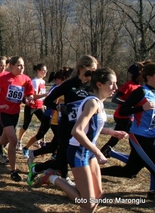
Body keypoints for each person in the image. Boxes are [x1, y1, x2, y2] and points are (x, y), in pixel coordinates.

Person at [33, 68, 127, 212]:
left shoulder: (99, 103)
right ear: (100, 84)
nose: (116, 88)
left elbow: (91, 128)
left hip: (88, 152)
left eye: (116, 84)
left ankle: (54, 178)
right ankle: (53, 178)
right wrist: (98, 152)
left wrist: (112, 132)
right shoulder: (92, 103)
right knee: (86, 202)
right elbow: (76, 131)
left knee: (98, 195)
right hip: (78, 152)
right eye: (111, 84)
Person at [28, 55, 98, 184]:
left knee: (63, 158)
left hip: (84, 127)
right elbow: (48, 100)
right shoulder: (70, 84)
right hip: (67, 127)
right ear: (81, 68)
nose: (93, 73)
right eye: (91, 69)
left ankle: (37, 168)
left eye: (95, 70)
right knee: (66, 156)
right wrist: (59, 107)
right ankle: (65, 177)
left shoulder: (94, 85)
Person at [101, 62, 155, 196]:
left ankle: (94, 170)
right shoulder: (141, 91)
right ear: (149, 77)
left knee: (130, 171)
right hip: (140, 136)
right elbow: (123, 110)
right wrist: (142, 108)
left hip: (151, 136)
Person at [0, 56, 34, 182]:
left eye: (23, 65)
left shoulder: (26, 79)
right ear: (12, 66)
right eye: (19, 65)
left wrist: (28, 99)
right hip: (4, 113)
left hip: (15, 113)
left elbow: (28, 93)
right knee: (13, 140)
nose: (22, 67)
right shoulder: (3, 78)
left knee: (3, 140)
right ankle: (13, 171)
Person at [25, 68, 69, 168]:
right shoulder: (57, 88)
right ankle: (27, 148)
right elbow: (48, 99)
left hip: (58, 119)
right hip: (51, 117)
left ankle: (42, 153)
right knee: (42, 135)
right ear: (60, 79)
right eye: (65, 79)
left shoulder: (65, 88)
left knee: (56, 143)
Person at [100, 62, 144, 156]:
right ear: (137, 75)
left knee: (114, 139)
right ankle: (136, 156)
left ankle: (101, 154)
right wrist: (128, 105)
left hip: (128, 117)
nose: (143, 76)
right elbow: (115, 99)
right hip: (122, 116)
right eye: (141, 74)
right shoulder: (128, 85)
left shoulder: (139, 87)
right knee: (135, 138)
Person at [18, 63, 48, 158]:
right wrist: (46, 95)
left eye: (46, 70)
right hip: (31, 106)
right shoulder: (35, 81)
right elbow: (34, 96)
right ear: (38, 71)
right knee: (26, 125)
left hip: (39, 106)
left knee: (45, 123)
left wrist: (43, 104)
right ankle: (19, 140)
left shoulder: (42, 82)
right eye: (43, 70)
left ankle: (38, 140)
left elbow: (41, 96)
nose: (45, 72)